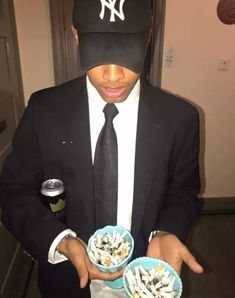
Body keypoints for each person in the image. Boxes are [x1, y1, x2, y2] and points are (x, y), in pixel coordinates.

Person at [0, 0, 203, 297]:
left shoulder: (180, 119)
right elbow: (11, 190)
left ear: (148, 38)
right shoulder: (43, 111)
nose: (112, 75)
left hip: (143, 277)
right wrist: (60, 241)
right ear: (76, 35)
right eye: (98, 53)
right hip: (67, 280)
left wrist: (166, 230)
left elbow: (183, 190)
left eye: (126, 54)